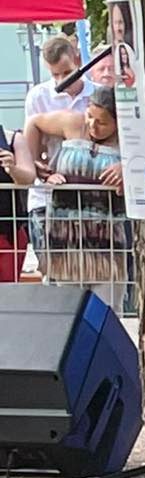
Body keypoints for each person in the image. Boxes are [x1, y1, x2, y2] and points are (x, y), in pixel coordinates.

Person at [10, 87, 129, 311]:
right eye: (90, 116)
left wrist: (127, 167)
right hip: (65, 235)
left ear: (117, 123)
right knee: (68, 310)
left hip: (107, 236)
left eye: (102, 122)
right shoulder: (72, 122)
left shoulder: (128, 140)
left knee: (108, 310)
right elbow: (34, 122)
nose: (93, 125)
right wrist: (35, 164)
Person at [0, 33, 87, 276]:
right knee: (55, 274)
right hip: (47, 198)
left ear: (77, 59)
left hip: (89, 197)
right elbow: (32, 153)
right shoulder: (38, 96)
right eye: (54, 74)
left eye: (67, 72)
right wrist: (42, 170)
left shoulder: (99, 93)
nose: (61, 81)